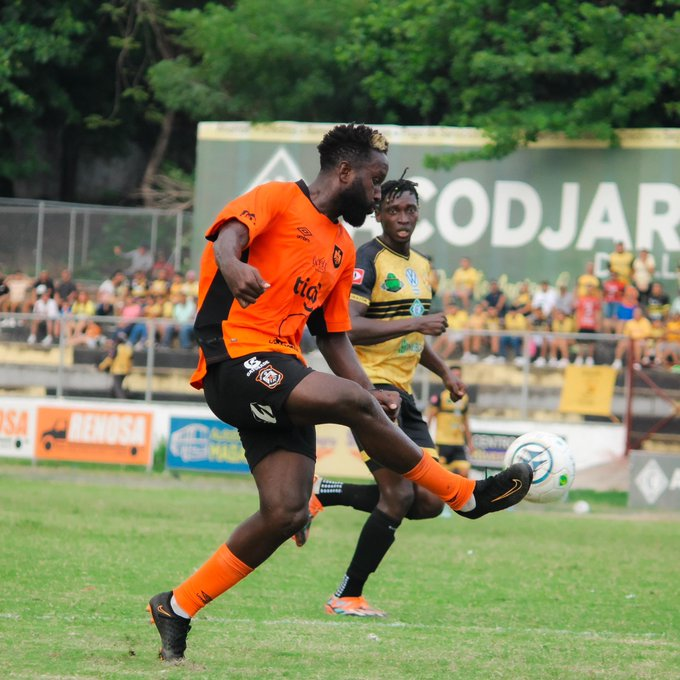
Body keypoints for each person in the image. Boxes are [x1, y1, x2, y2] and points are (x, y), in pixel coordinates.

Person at [146, 124, 532, 662]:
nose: (378, 195)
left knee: (283, 513)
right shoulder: (279, 197)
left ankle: (176, 607)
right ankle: (463, 495)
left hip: (282, 370)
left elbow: (334, 339)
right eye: (375, 182)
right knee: (354, 404)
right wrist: (234, 266)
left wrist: (371, 394)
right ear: (345, 172)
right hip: (232, 360)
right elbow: (228, 235)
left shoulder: (342, 247)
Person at [308, 176, 468, 618]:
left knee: (431, 501)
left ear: (418, 213)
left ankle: (326, 491)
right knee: (397, 496)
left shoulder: (421, 264)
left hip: (405, 393)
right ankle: (347, 594)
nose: (402, 218)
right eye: (393, 210)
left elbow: (418, 336)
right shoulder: (366, 260)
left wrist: (446, 372)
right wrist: (417, 327)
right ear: (378, 213)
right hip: (372, 390)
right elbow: (349, 326)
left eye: (410, 210)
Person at [428, 365, 473, 476]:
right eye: (454, 376)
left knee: (464, 472)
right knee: (442, 474)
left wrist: (470, 442)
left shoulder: (464, 398)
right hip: (443, 442)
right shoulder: (440, 395)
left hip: (458, 442)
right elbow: (430, 417)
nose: (457, 378)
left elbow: (465, 421)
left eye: (459, 376)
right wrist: (426, 440)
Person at [98, 331, 134, 398]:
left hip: (117, 370)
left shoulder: (116, 348)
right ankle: (112, 399)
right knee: (115, 387)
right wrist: (130, 369)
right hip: (125, 370)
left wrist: (102, 366)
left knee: (117, 388)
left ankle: (122, 401)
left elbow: (110, 359)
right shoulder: (128, 348)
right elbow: (130, 360)